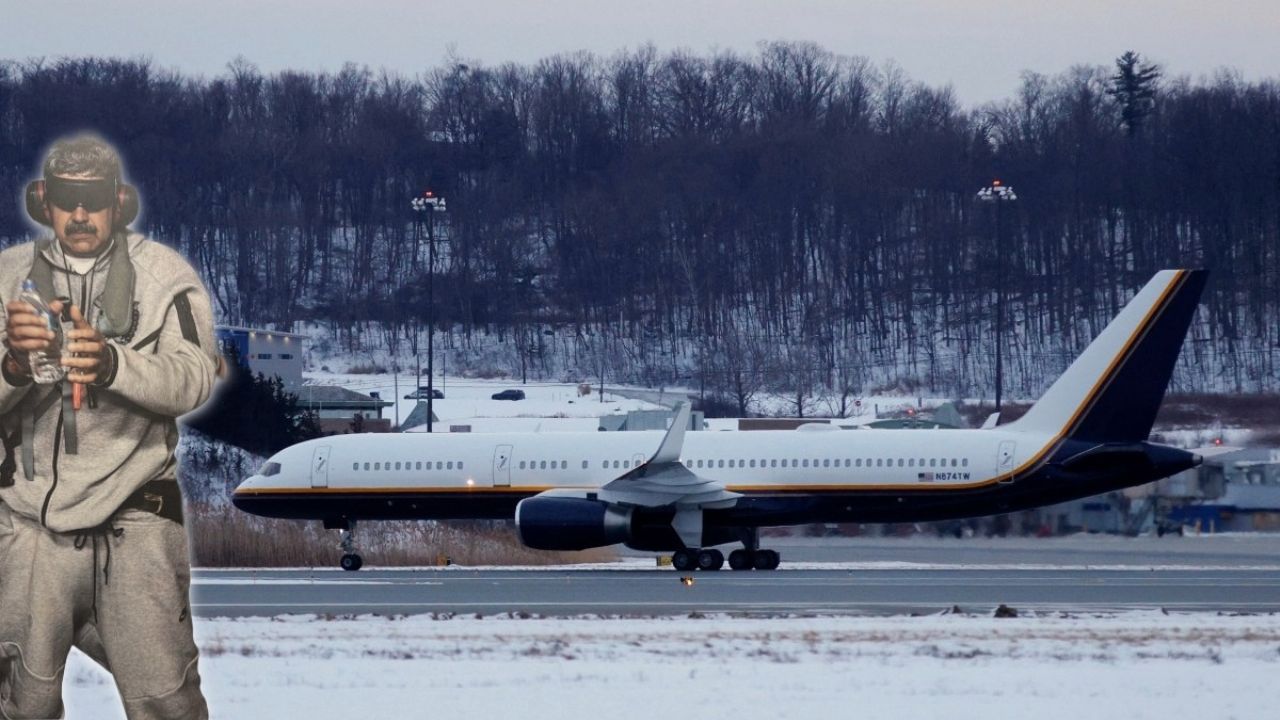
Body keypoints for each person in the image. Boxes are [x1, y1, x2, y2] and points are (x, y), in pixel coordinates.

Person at [0, 135, 218, 719]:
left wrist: (114, 363)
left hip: (136, 517)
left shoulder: (164, 277)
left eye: (93, 200)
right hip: (27, 527)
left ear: (119, 202)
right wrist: (16, 365)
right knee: (22, 703)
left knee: (166, 701)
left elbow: (195, 377)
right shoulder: (6, 278)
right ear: (41, 200)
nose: (79, 215)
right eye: (67, 200)